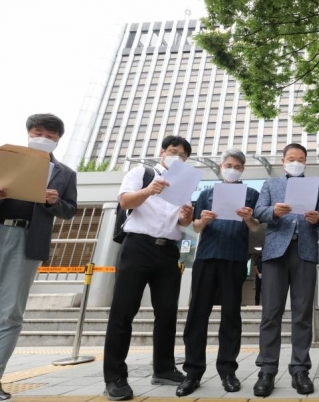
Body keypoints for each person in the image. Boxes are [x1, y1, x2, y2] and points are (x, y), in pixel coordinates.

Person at [103, 135, 195, 400]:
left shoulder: (185, 185)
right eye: (173, 151)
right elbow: (126, 202)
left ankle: (164, 369)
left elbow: (181, 223)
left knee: (167, 312)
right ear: (162, 152)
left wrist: (185, 218)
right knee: (123, 311)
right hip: (137, 247)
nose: (177, 157)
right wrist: (148, 190)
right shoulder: (142, 172)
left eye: (183, 155)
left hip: (168, 250)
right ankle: (115, 377)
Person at [0, 114, 77, 401]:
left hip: (27, 241)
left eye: (50, 134)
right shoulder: (4, 158)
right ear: (28, 132)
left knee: (10, 313)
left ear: (58, 139)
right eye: (38, 131)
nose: (43, 137)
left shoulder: (65, 173)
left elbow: (70, 210)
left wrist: (55, 201)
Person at [176, 148, 260, 397]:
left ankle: (228, 371)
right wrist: (204, 220)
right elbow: (197, 226)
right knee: (197, 316)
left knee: (231, 316)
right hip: (206, 257)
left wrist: (248, 218)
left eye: (236, 165)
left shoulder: (252, 194)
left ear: (242, 169)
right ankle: (192, 372)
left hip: (235, 259)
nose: (231, 168)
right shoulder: (207, 192)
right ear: (221, 167)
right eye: (228, 164)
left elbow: (256, 228)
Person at [252, 143, 319, 397]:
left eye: (300, 159)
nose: (296, 162)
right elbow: (258, 211)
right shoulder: (271, 184)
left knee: (302, 313)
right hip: (275, 253)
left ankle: (299, 369)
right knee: (271, 313)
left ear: (306, 162)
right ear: (283, 160)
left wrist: (318, 218)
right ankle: (267, 369)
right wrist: (273, 211)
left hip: (305, 252)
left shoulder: (315, 185)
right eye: (291, 158)